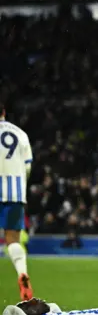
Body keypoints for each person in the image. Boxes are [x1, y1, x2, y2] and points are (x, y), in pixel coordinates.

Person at [0, 103, 33, 301]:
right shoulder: (20, 134)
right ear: (4, 112)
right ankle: (22, 273)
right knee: (12, 239)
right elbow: (27, 166)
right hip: (15, 193)